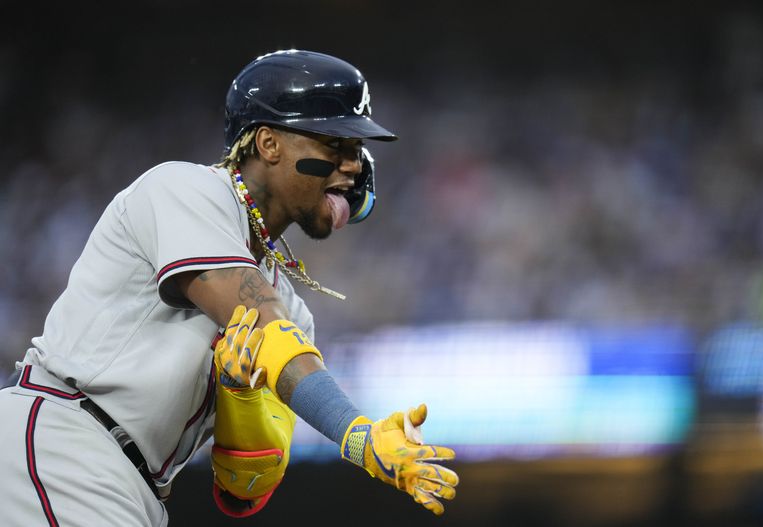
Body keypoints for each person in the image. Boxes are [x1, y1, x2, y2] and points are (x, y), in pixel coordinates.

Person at [0, 49, 458, 526]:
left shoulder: (293, 313)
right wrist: (357, 434)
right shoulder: (186, 189)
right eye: (334, 144)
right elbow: (260, 323)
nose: (353, 167)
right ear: (268, 143)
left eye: (357, 151)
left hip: (132, 486)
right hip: (62, 443)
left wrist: (241, 398)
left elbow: (244, 489)